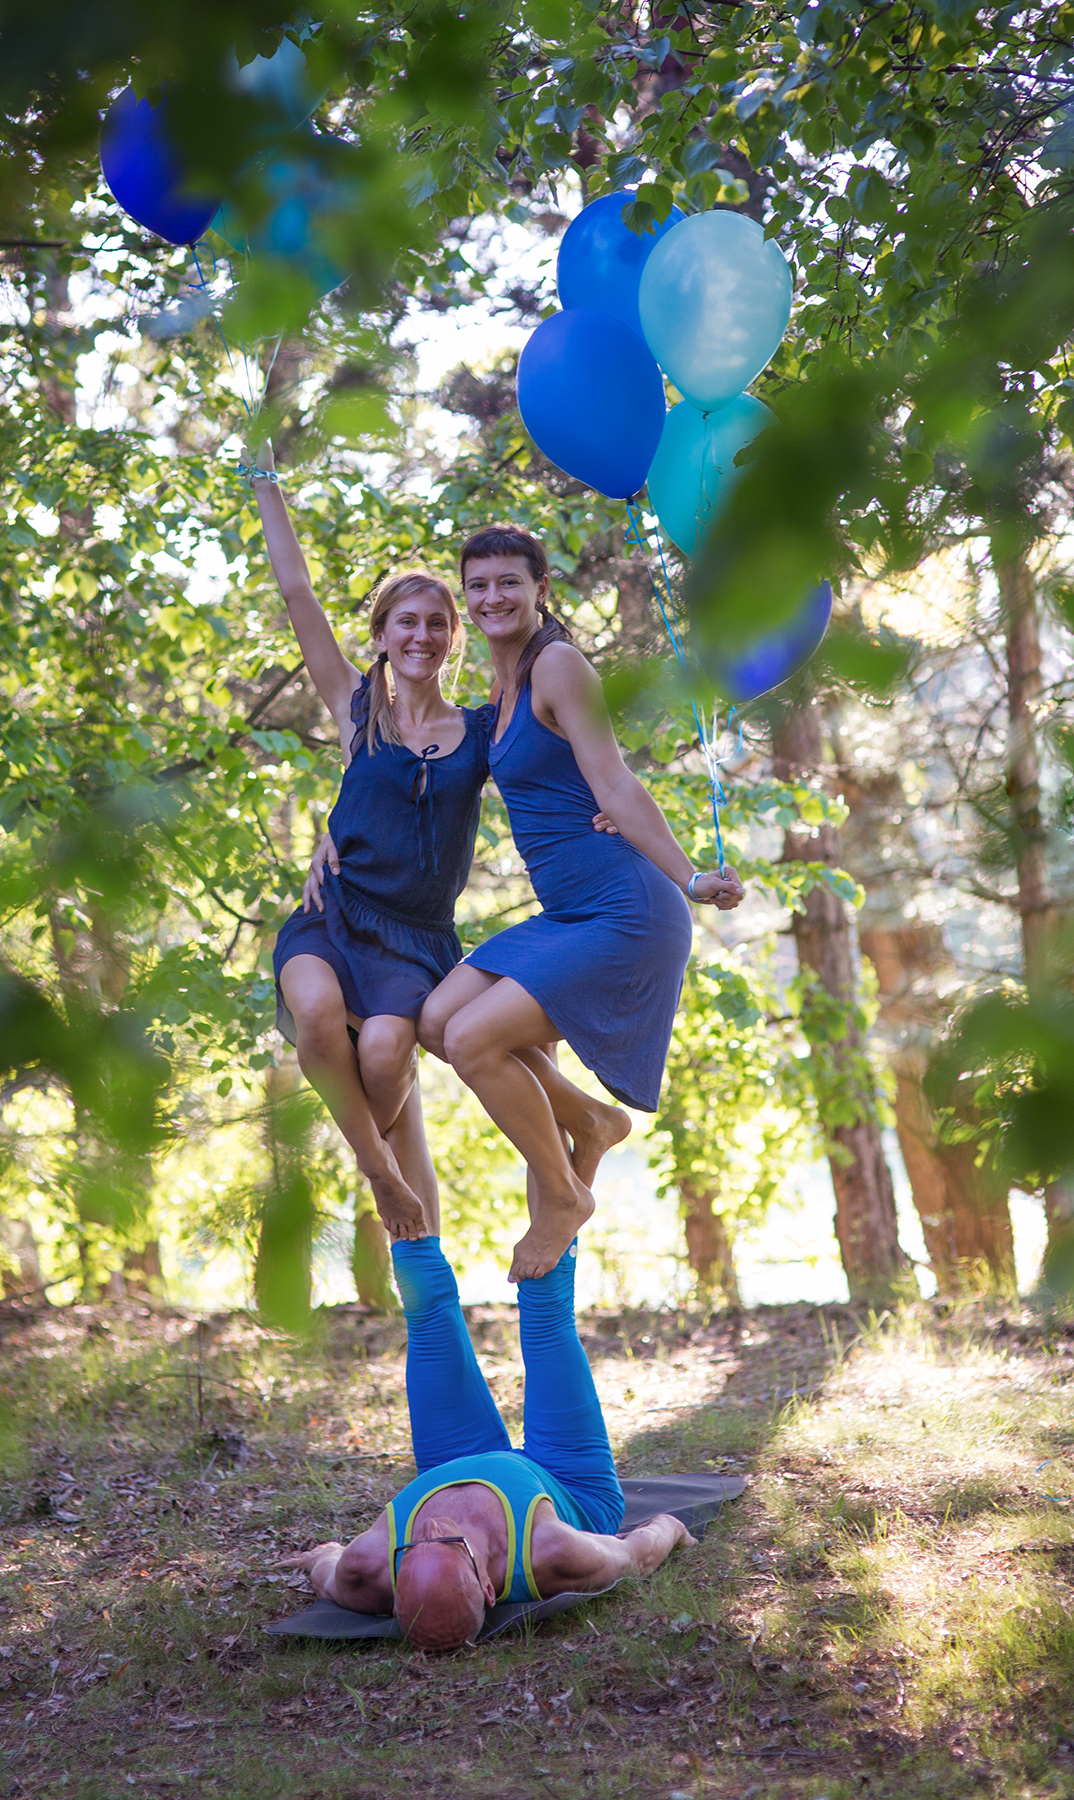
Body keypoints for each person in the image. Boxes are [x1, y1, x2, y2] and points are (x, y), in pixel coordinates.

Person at [255, 460, 623, 1244]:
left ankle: (407, 1161)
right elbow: (298, 595)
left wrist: (606, 815)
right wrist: (266, 484)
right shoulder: (358, 712)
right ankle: (381, 1175)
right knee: (315, 1010)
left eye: (434, 623)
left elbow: (552, 763)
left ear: (453, 636)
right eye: (405, 623)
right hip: (335, 914)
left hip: (415, 940)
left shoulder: (482, 732)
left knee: (389, 1050)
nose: (419, 636)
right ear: (383, 637)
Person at [416, 525, 745, 1283]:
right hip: (568, 912)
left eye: (509, 582)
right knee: (436, 1022)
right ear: (465, 600)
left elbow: (617, 784)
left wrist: (692, 878)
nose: (493, 596)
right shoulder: (497, 693)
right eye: (478, 585)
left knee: (471, 1040)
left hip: (624, 908)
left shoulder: (557, 665)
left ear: (540, 589)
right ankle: (592, 1120)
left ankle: (564, 1196)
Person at [281, 1236, 695, 1651]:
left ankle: (401, 1208)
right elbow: (635, 1557)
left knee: (424, 1306)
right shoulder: (554, 1554)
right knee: (546, 1309)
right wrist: (672, 1528)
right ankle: (563, 1201)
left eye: (413, 1546)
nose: (431, 1526)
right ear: (488, 1588)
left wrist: (320, 1555)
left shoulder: (366, 1568)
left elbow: (328, 1569)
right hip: (568, 1480)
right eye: (446, 1541)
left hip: (451, 1460)